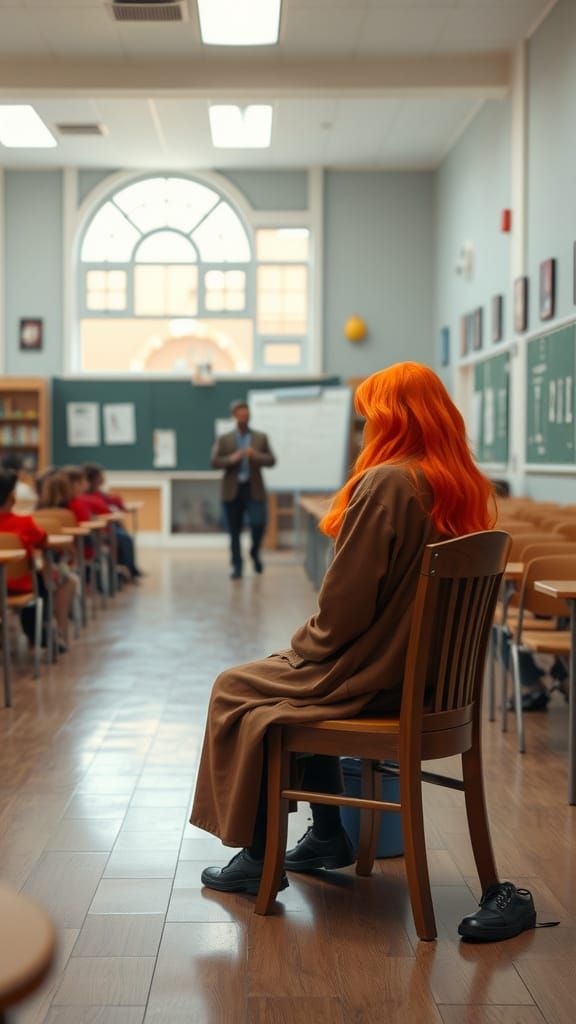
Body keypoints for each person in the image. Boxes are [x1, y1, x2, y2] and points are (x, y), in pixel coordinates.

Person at [191, 362, 496, 895]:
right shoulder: (459, 486)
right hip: (430, 686)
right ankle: (328, 835)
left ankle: (259, 857)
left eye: (368, 420)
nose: (364, 431)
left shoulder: (387, 482)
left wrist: (300, 649)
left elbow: (342, 616)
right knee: (283, 689)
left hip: (377, 677)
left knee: (236, 688)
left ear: (393, 420)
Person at [0, 470, 72, 651]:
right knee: (47, 581)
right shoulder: (24, 523)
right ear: (12, 497)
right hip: (20, 585)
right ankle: (46, 634)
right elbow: (44, 541)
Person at [212, 400, 276, 579]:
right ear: (234, 416)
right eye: (240, 415)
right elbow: (214, 461)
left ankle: (254, 552)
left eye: (246, 415)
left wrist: (255, 455)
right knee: (234, 531)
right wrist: (231, 459)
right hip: (231, 490)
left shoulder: (260, 437)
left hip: (253, 488)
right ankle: (237, 565)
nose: (243, 418)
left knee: (258, 523)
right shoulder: (224, 439)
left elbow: (271, 460)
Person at [83, 464, 142, 581]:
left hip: (106, 526)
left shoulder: (99, 493)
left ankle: (127, 569)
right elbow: (104, 508)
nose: (103, 478)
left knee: (122, 533)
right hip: (99, 530)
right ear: (92, 479)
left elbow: (113, 501)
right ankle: (127, 571)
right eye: (100, 476)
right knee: (124, 538)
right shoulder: (87, 496)